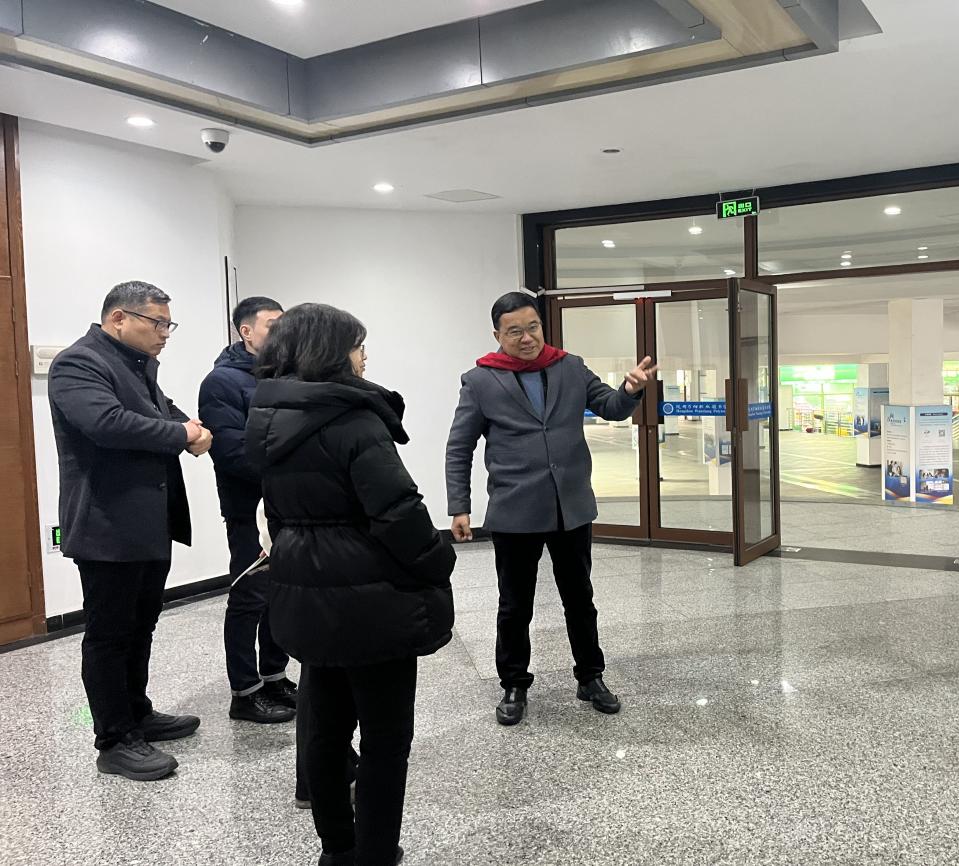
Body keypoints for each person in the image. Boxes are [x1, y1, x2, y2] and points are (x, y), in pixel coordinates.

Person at [246, 303, 455, 866]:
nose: (364, 357)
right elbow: (397, 512)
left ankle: (337, 850)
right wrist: (439, 560)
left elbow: (277, 513)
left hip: (304, 590)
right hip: (371, 600)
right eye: (358, 346)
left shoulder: (268, 417)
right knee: (386, 740)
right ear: (331, 351)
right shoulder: (353, 419)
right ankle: (376, 854)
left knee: (325, 731)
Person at [445, 291, 657, 726]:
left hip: (570, 507)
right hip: (515, 510)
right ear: (497, 335)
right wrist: (459, 506)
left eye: (533, 327)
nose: (527, 338)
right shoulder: (480, 380)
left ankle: (590, 676)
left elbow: (610, 407)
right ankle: (514, 683)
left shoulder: (570, 367)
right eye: (515, 331)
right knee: (515, 605)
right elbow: (459, 447)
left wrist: (630, 389)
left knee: (580, 598)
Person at [48, 281, 210, 782]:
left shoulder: (137, 365)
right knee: (109, 634)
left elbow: (162, 411)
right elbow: (108, 423)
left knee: (141, 625)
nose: (165, 333)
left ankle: (137, 712)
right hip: (106, 525)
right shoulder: (79, 363)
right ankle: (114, 740)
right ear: (119, 318)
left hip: (147, 523)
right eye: (157, 323)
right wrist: (181, 434)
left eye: (168, 323)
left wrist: (191, 427)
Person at [198, 296, 297, 724]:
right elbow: (231, 452)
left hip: (286, 506)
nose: (281, 332)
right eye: (272, 325)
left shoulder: (284, 374)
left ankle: (274, 676)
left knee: (281, 594)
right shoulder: (221, 382)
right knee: (249, 597)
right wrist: (291, 466)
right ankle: (245, 691)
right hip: (248, 509)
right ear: (246, 331)